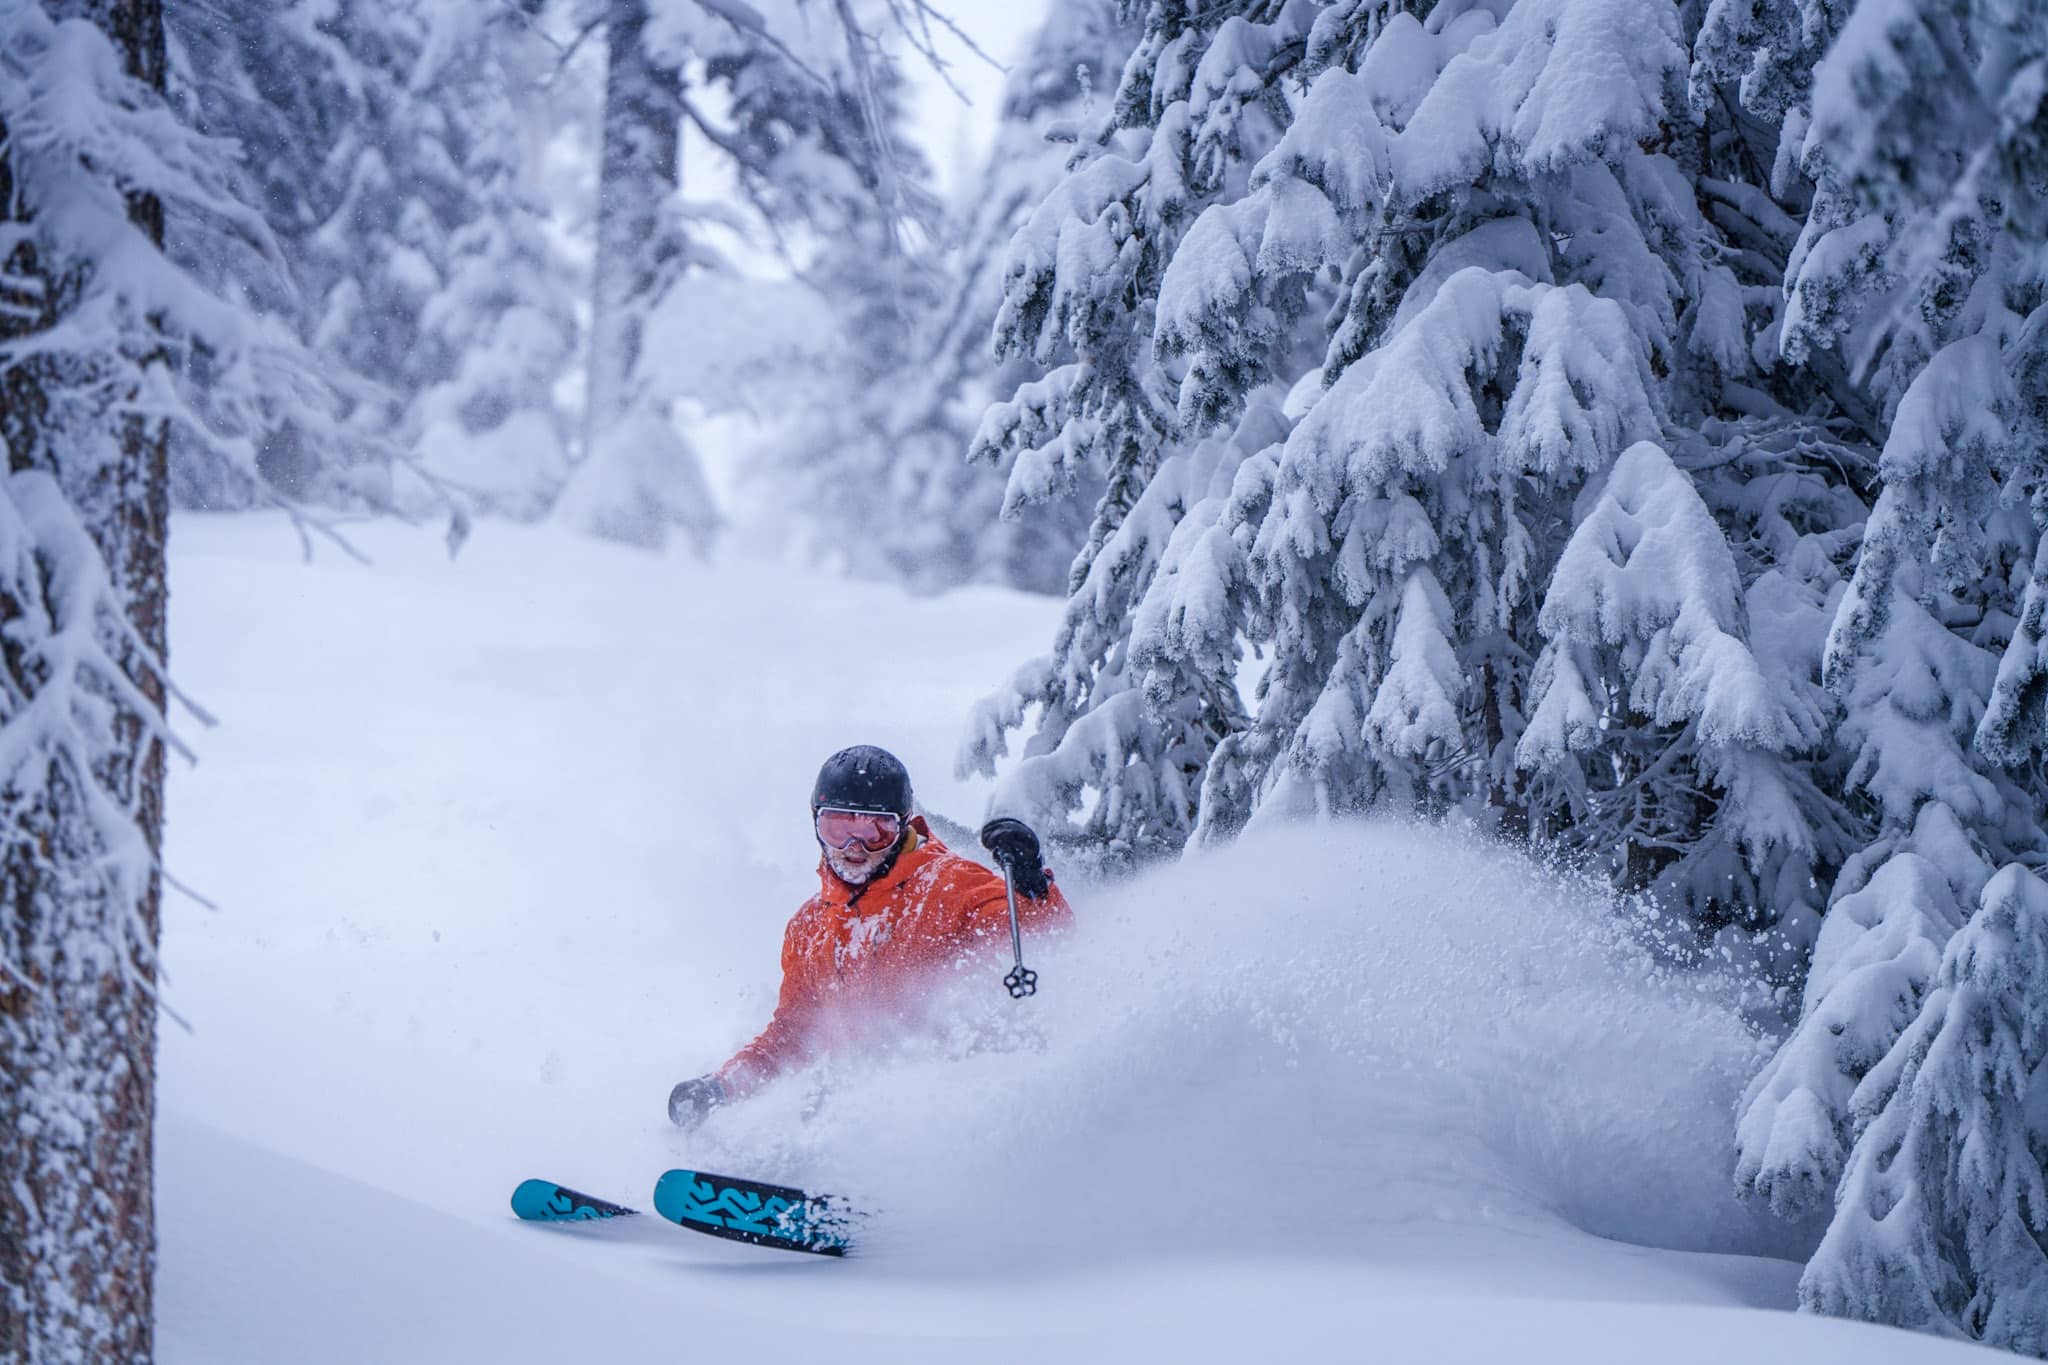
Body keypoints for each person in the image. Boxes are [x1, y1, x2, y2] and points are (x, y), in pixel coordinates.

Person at [668, 745, 1070, 1127]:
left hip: (951, 1108)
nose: (854, 847)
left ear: (901, 826)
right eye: (838, 828)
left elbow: (1046, 946)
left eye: (876, 830)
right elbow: (792, 1036)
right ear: (816, 823)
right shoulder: (810, 926)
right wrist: (723, 1087)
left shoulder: (950, 885)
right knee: (794, 1127)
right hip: (854, 1117)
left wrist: (1032, 887)